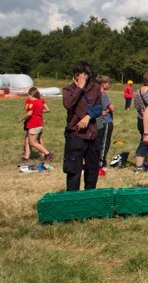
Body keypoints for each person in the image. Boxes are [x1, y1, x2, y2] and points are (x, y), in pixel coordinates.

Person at [62, 61, 104, 191]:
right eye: (78, 75)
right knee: (74, 169)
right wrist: (79, 88)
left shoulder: (95, 87)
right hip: (75, 133)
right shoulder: (68, 90)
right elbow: (68, 104)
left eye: (83, 75)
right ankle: (73, 198)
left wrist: (88, 116)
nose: (81, 77)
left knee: (92, 169)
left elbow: (99, 107)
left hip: (92, 133)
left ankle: (90, 196)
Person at [19, 87, 53, 162]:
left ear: (32, 96)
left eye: (28, 95)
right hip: (39, 123)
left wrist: (22, 118)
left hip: (34, 124)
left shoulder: (33, 103)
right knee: (28, 140)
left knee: (32, 142)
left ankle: (47, 154)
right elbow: (44, 110)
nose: (28, 97)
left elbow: (29, 113)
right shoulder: (40, 101)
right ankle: (26, 157)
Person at [95, 75, 115, 171]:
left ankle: (97, 159)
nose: (109, 85)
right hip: (106, 121)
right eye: (108, 83)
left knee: (98, 140)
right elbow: (112, 108)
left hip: (98, 120)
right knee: (104, 141)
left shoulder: (95, 94)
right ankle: (101, 162)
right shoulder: (103, 95)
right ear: (103, 84)